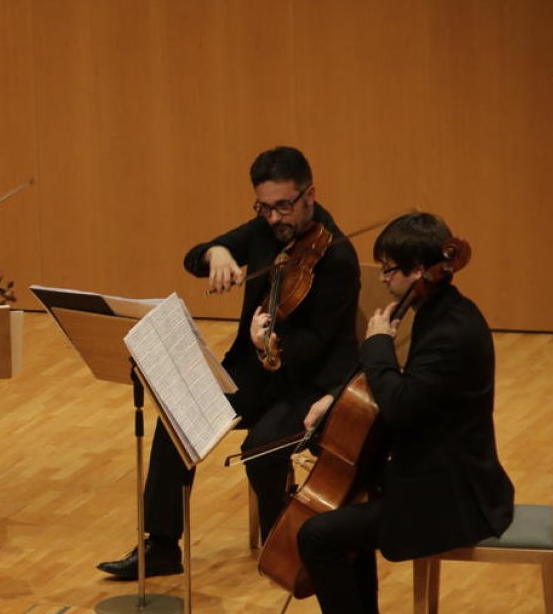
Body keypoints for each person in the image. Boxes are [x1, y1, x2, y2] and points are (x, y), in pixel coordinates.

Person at [98, 145, 361, 579]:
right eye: (265, 207)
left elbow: (319, 343)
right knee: (178, 412)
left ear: (310, 195)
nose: (275, 217)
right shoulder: (265, 231)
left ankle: (291, 546)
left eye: (284, 206)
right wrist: (216, 253)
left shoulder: (336, 257)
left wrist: (270, 342)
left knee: (260, 448)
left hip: (311, 385)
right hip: (255, 372)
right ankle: (161, 544)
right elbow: (194, 257)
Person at [295, 212, 514, 613]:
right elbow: (409, 397)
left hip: (452, 498)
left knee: (316, 536)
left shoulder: (449, 333)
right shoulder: (441, 311)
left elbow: (399, 407)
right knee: (345, 521)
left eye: (388, 269)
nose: (382, 279)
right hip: (441, 474)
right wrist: (337, 398)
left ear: (418, 270)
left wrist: (377, 344)